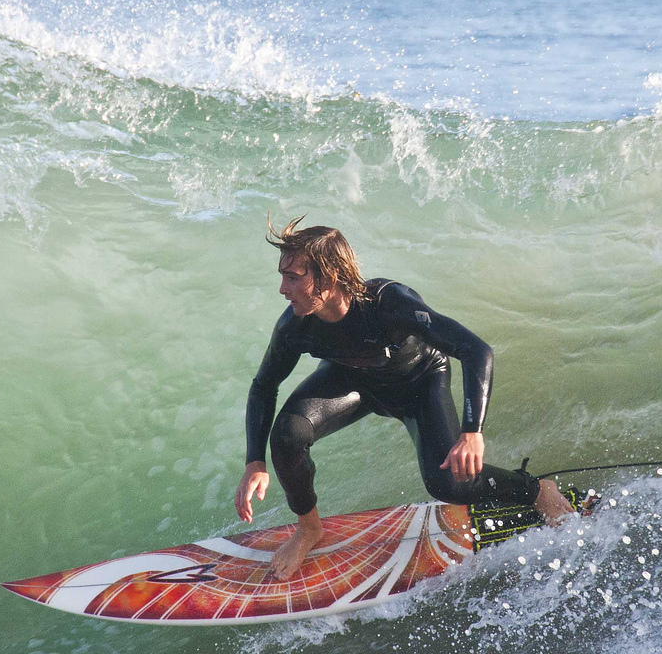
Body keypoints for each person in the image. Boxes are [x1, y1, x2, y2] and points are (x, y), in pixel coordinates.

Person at [233, 216, 575, 581]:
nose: (283, 289)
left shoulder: (389, 304)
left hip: (418, 383)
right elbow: (263, 385)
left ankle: (537, 491)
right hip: (353, 383)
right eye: (282, 276)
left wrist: (472, 431)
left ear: (329, 278)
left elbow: (476, 350)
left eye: (294, 277)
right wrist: (255, 461)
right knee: (287, 436)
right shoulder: (296, 326)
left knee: (448, 484)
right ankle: (309, 529)